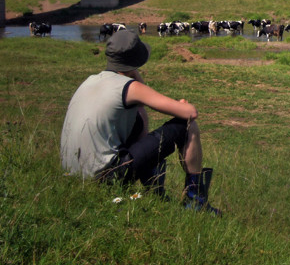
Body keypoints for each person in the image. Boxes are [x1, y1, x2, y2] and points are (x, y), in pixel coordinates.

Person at [60, 29, 219, 214]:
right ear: (136, 61)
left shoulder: (90, 81)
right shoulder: (129, 87)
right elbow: (190, 112)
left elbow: (140, 121)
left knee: (137, 123)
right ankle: (195, 200)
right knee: (186, 124)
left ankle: (155, 192)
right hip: (106, 175)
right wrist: (181, 105)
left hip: (74, 173)